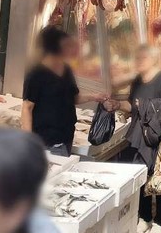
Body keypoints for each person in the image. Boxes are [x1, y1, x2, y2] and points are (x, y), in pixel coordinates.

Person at [115, 45, 161, 233]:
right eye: (137, 58)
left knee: (160, 179)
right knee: (142, 178)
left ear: (152, 59)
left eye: (142, 58)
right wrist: (116, 105)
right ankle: (145, 218)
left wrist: (144, 104)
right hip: (141, 137)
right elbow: (131, 104)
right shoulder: (137, 80)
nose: (138, 61)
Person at [21, 27, 107, 156]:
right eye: (66, 46)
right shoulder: (36, 73)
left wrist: (94, 97)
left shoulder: (66, 69)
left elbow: (72, 98)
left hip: (66, 137)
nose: (70, 49)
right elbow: (27, 108)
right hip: (45, 141)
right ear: (53, 47)